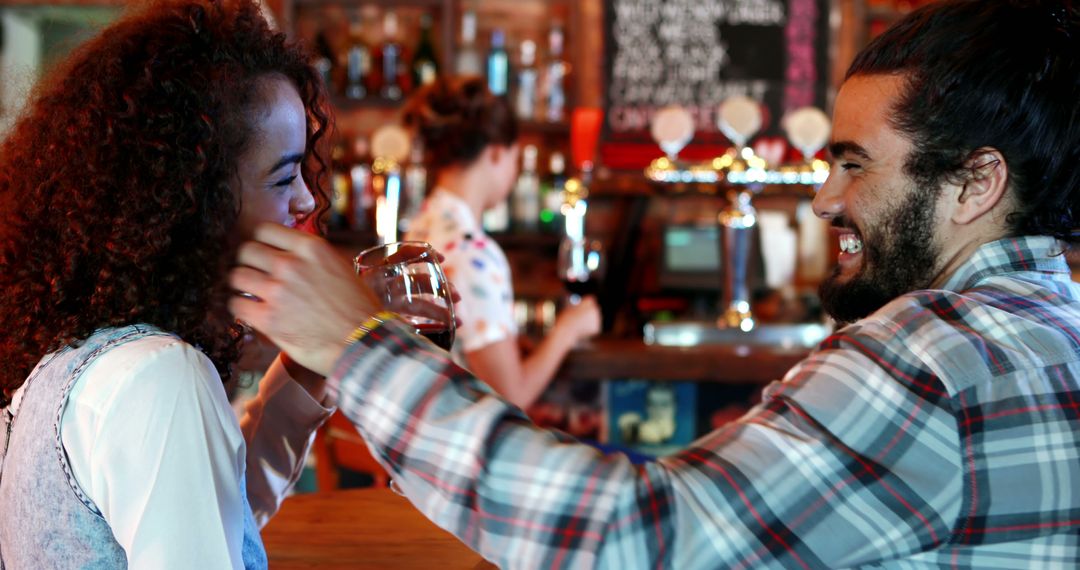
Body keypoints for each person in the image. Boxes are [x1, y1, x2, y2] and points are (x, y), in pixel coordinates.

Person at [229, 1, 1080, 567]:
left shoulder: (930, 364)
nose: (825, 199)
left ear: (976, 184)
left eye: (854, 166)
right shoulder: (1051, 334)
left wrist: (358, 346)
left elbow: (633, 539)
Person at [0, 1, 334, 567]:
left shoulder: (79, 355)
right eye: (285, 175)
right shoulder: (161, 376)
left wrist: (309, 367)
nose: (307, 199)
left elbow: (207, 514)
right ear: (192, 201)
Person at [400, 76, 601, 409]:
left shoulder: (420, 228)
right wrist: (568, 330)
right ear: (495, 154)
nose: (514, 170)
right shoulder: (473, 253)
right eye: (514, 158)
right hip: (462, 448)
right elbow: (512, 397)